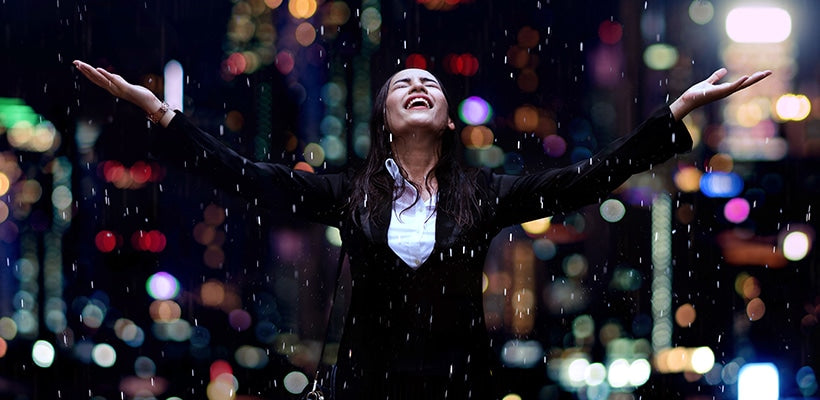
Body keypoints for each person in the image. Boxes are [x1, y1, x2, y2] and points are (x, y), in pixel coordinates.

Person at [73, 59, 770, 399]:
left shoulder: (484, 192)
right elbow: (244, 176)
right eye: (403, 84)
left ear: (444, 119)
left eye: (430, 86)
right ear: (383, 118)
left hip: (460, 384)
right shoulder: (347, 191)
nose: (419, 86)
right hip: (368, 387)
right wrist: (163, 117)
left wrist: (672, 114)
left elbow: (588, 178)